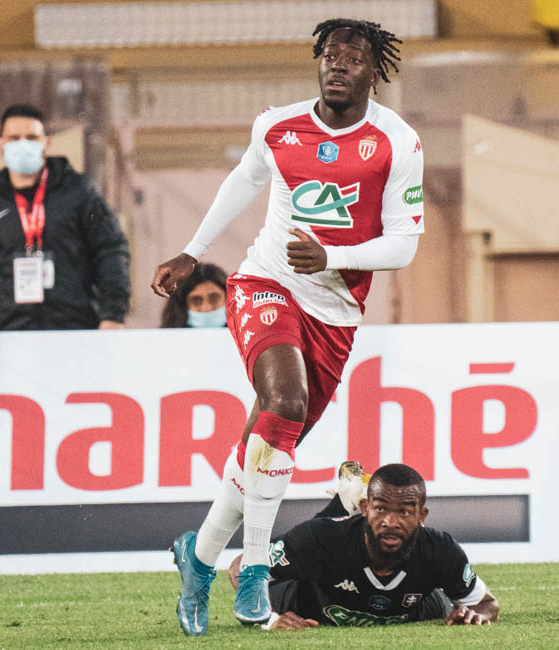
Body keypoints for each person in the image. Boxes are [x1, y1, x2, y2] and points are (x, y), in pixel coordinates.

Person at [152, 18, 425, 636]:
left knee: (268, 441)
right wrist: (193, 251)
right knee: (285, 400)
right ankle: (254, 573)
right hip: (265, 283)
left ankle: (198, 558)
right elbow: (245, 180)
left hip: (335, 310)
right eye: (329, 55)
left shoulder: (396, 142)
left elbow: (404, 244)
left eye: (352, 58)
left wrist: (333, 257)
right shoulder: (277, 125)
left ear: (373, 72)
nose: (337, 66)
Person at [228, 463, 499, 630]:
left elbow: (486, 603)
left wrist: (474, 614)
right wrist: (269, 619)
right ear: (365, 508)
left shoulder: (439, 550)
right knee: (321, 535)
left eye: (405, 512)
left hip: (418, 605)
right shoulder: (320, 539)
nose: (391, 522)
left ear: (422, 516)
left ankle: (343, 501)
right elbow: (240, 568)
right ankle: (341, 503)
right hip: (306, 598)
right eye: (380, 509)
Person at [0, 104, 131, 332]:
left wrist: (113, 314)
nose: (23, 144)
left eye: (31, 137)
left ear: (46, 142)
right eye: (14, 138)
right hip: (14, 332)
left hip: (76, 330)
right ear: (0, 144)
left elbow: (111, 250)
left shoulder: (79, 192)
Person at [160, 262, 228, 328]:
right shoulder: (163, 335)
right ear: (183, 306)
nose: (206, 308)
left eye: (214, 298)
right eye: (196, 300)